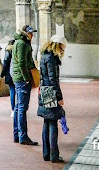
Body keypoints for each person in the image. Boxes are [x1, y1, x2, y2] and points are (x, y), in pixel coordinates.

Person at [37, 35, 67, 163]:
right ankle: (54, 155)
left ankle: (46, 153)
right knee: (53, 122)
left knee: (47, 122)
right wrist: (59, 97)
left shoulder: (44, 55)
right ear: (58, 45)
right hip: (51, 92)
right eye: (62, 48)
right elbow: (53, 78)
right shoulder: (52, 58)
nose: (63, 51)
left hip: (44, 90)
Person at [12, 24, 38, 145]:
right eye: (31, 33)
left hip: (18, 77)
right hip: (22, 79)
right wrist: (27, 78)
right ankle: (23, 136)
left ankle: (17, 134)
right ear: (26, 33)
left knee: (18, 107)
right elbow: (22, 62)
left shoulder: (20, 42)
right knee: (22, 107)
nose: (32, 35)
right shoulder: (22, 44)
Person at [0, 38, 16, 117]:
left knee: (12, 91)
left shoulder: (8, 51)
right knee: (18, 92)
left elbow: (6, 62)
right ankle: (18, 109)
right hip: (17, 74)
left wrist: (2, 73)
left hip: (9, 74)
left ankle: (13, 109)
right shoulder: (17, 50)